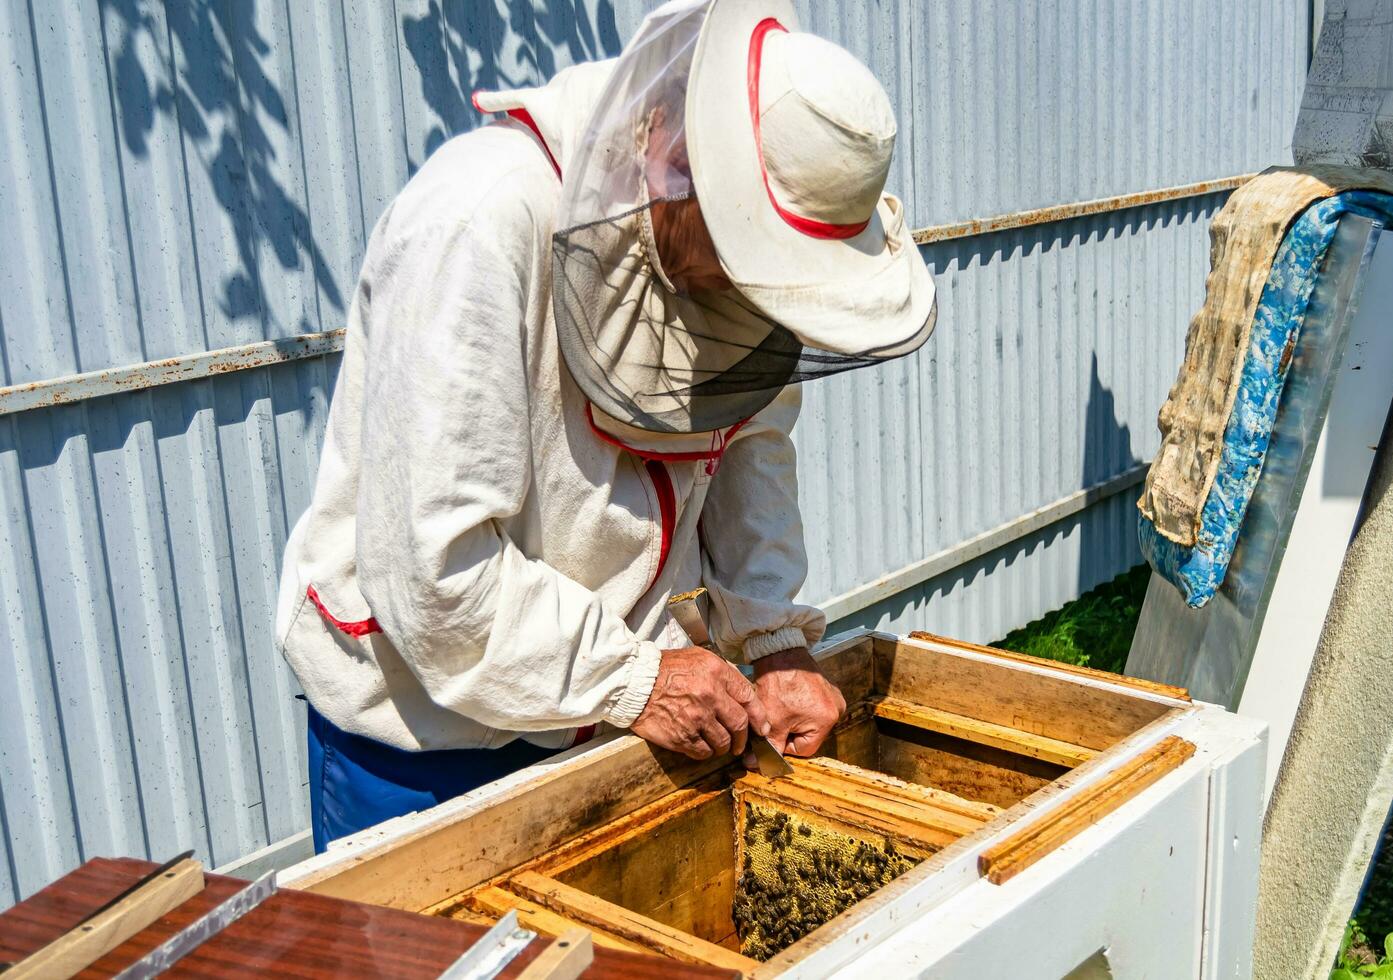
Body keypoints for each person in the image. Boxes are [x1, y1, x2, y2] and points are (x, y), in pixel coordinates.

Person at [275, 0, 937, 853]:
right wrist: (636, 679)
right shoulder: (477, 221)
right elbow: (434, 570)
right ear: (686, 172)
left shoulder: (734, 271)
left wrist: (774, 645)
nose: (757, 305)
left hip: (620, 720)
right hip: (430, 747)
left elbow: (751, 452)